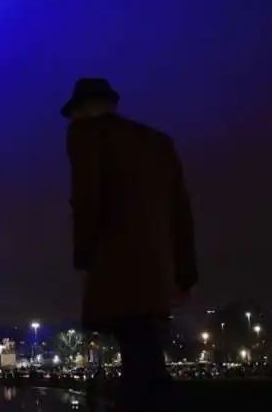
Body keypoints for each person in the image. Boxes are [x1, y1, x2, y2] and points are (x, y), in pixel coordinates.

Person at [62, 78, 198, 412]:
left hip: (116, 264)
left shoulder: (87, 135)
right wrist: (185, 273)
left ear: (85, 109)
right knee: (147, 353)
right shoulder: (159, 143)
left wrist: (84, 253)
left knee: (136, 359)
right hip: (156, 267)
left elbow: (87, 200)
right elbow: (182, 212)